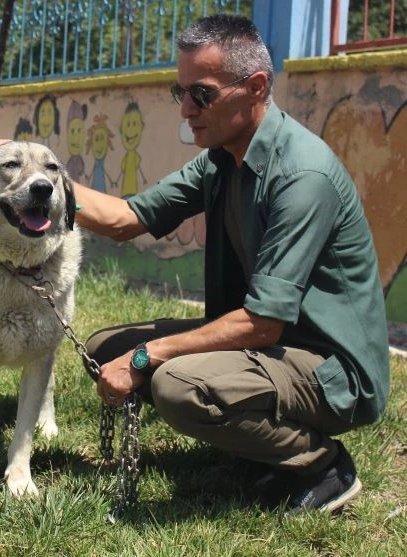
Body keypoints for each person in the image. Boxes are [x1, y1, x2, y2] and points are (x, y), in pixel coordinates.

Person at [67, 14, 390, 514]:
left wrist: (146, 357)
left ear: (255, 87)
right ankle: (254, 450)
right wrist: (37, 175)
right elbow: (126, 219)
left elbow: (262, 324)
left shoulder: (302, 175)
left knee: (176, 384)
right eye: (181, 93)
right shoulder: (221, 158)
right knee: (105, 348)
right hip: (275, 347)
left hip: (332, 371)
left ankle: (322, 466)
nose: (186, 110)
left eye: (202, 94)